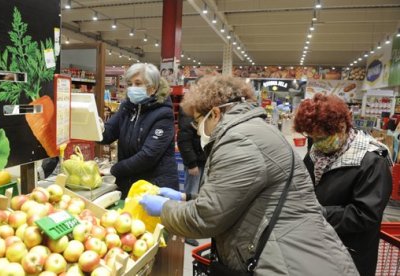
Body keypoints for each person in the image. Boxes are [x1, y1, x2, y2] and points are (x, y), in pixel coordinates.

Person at [139, 75, 358, 275]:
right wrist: (185, 199)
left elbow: (206, 218)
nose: (197, 129)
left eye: (198, 121)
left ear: (215, 113)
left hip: (288, 262)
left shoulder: (240, 142)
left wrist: (164, 209)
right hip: (301, 252)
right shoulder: (253, 130)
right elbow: (236, 197)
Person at [294, 94, 392, 276]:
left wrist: (318, 213)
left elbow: (365, 214)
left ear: (342, 126)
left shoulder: (372, 162)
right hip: (317, 246)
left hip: (350, 255)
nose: (317, 142)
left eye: (322, 137)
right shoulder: (316, 152)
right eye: (312, 136)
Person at [100, 63, 178, 198]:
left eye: (138, 83)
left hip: (154, 187)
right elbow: (108, 134)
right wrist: (95, 127)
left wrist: (114, 170)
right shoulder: (127, 107)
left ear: (152, 88)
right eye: (130, 83)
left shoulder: (163, 114)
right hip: (130, 183)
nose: (132, 88)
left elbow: (148, 156)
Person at [177, 108, 206, 247]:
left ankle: (194, 227)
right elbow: (184, 139)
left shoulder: (205, 109)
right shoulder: (189, 110)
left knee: (199, 196)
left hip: (204, 161)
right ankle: (186, 232)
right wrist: (192, 163)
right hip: (195, 163)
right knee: (190, 197)